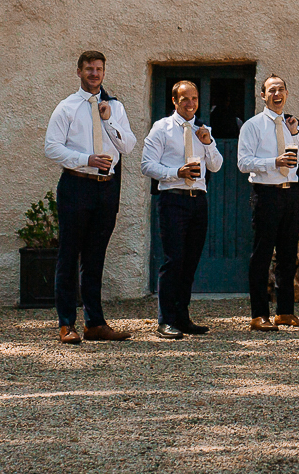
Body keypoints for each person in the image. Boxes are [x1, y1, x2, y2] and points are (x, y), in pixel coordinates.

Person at [42, 51, 138, 344]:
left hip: (106, 188)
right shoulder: (67, 107)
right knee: (69, 256)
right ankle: (66, 324)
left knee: (95, 258)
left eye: (98, 69)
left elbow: (129, 146)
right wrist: (86, 159)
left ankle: (95, 323)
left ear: (104, 72)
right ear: (79, 72)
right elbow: (52, 147)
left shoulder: (115, 108)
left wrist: (109, 120)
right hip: (76, 186)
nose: (94, 74)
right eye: (89, 69)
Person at [141, 79, 223, 340]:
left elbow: (217, 165)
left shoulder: (203, 128)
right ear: (174, 101)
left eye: (195, 98)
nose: (191, 103)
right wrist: (175, 172)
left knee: (190, 262)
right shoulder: (161, 128)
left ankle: (183, 317)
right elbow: (146, 165)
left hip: (198, 200)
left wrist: (208, 142)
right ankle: (166, 320)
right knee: (173, 260)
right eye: (185, 99)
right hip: (173, 199)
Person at [238, 74, 299, 331]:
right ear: (263, 95)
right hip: (266, 194)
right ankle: (259, 314)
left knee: (287, 255)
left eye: (281, 89)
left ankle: (285, 312)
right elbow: (243, 163)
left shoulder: (292, 125)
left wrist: (296, 134)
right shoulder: (253, 126)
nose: (277, 94)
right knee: (261, 256)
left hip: (291, 194)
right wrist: (274, 162)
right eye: (271, 90)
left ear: (287, 93)